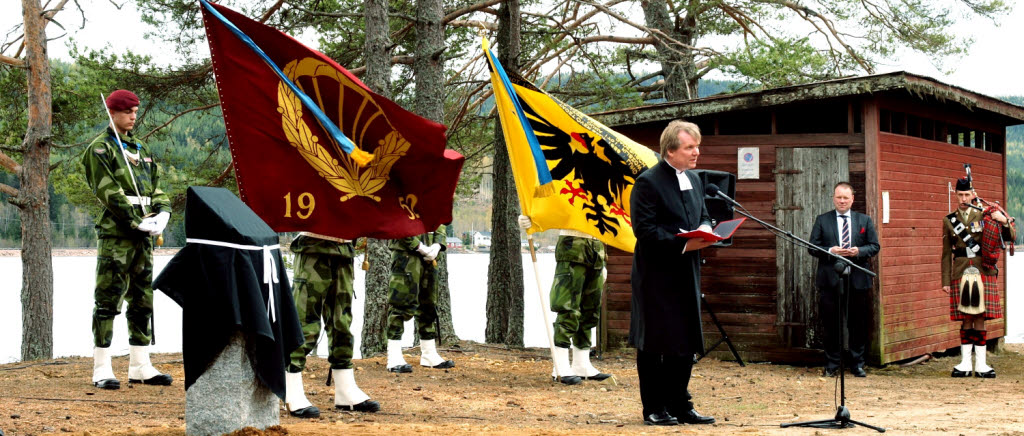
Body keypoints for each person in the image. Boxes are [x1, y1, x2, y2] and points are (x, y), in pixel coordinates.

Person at [82, 89, 173, 389]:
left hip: (144, 236)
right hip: (117, 235)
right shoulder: (100, 150)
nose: (133, 116)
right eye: (127, 111)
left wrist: (163, 212)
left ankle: (140, 364)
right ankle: (102, 367)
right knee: (108, 300)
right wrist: (137, 222)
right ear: (112, 113)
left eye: (135, 111)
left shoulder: (142, 149)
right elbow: (109, 192)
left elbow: (157, 185)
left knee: (142, 299)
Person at [629, 120, 716, 426]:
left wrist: (706, 230)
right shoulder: (648, 182)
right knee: (655, 342)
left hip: (686, 273)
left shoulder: (694, 179)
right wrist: (683, 243)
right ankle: (654, 407)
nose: (696, 152)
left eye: (697, 146)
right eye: (690, 147)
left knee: (686, 340)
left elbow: (703, 215)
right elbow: (645, 231)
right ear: (670, 150)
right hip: (656, 276)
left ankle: (681, 404)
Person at [284, 233, 380, 417]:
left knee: (341, 322)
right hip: (313, 245)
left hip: (343, 248)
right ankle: (291, 388)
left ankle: (345, 390)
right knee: (305, 321)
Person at [516, 217, 612, 385]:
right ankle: (560, 365)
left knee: (590, 310)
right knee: (568, 307)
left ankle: (581, 364)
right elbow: (551, 204)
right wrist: (532, 218)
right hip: (572, 246)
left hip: (596, 248)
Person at [942, 176, 1015, 378]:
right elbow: (946, 253)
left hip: (983, 270)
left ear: (973, 195)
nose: (964, 198)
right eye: (960, 194)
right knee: (965, 317)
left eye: (967, 194)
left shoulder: (986, 215)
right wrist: (945, 281)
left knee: (980, 317)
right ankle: (965, 363)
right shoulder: (949, 220)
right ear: (955, 195)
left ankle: (982, 364)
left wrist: (1004, 220)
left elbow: (1008, 236)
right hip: (960, 271)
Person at [808, 182, 880, 378]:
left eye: (845, 198)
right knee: (831, 324)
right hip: (830, 281)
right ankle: (832, 364)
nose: (842, 201)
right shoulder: (823, 220)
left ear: (852, 200)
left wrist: (859, 251)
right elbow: (812, 247)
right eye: (838, 197)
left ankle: (858, 364)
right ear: (833, 198)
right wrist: (830, 250)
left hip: (857, 281)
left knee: (857, 324)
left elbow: (875, 246)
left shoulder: (864, 220)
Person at [384, 225, 455, 372]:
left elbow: (439, 220)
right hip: (405, 253)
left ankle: (429, 354)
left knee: (429, 304)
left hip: (430, 254)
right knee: (400, 303)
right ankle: (394, 356)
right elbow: (399, 219)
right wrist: (418, 246)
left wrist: (437, 245)